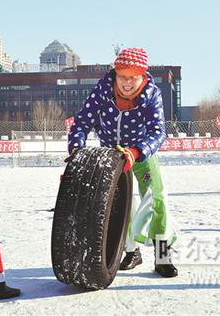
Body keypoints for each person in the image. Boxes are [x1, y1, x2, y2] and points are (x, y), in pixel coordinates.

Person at [66, 47, 178, 278]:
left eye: (133, 77)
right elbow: (81, 123)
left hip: (140, 154)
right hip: (110, 156)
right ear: (115, 75)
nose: (127, 83)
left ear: (142, 76)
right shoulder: (102, 91)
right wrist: (76, 149)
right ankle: (131, 251)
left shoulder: (151, 94)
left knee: (156, 199)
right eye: (123, 77)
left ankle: (163, 255)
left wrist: (137, 151)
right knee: (120, 205)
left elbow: (158, 132)